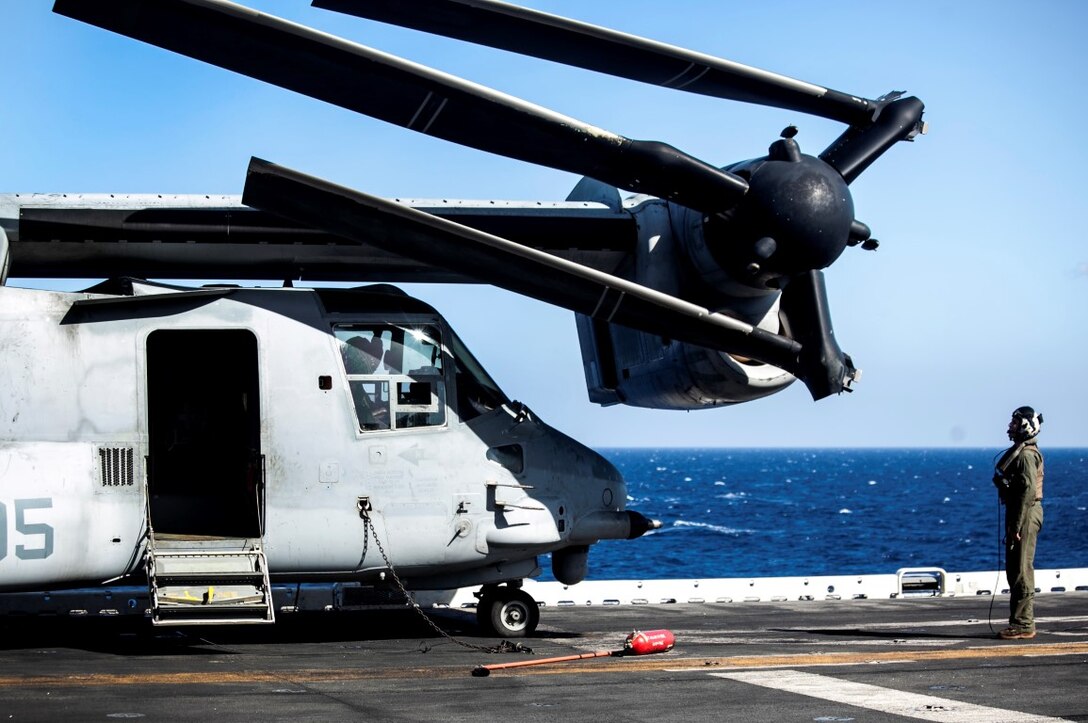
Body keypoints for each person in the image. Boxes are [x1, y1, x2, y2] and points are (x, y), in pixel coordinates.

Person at [992, 406, 1045, 640]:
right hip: (1022, 512)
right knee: (1016, 568)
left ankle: (1023, 623)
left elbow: (1027, 492)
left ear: (1024, 425)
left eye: (1014, 423)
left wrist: (1015, 526)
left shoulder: (1025, 455)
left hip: (1024, 514)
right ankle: (1020, 621)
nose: (1009, 427)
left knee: (1021, 569)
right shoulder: (1023, 451)